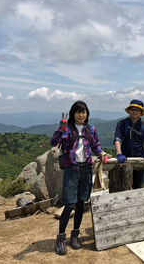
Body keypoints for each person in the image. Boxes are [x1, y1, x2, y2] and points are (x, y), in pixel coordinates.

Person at [49, 100, 108, 256]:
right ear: (72, 114)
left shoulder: (91, 129)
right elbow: (53, 143)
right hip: (72, 170)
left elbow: (95, 145)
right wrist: (60, 130)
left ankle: (75, 235)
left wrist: (101, 153)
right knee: (69, 205)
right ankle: (61, 237)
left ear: (87, 113)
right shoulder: (67, 129)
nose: (81, 115)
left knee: (81, 204)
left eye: (83, 112)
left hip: (86, 170)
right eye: (78, 112)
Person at [113, 99, 144, 189]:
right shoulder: (122, 124)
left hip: (139, 161)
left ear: (141, 112)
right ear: (129, 111)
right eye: (132, 109)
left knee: (137, 188)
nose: (134, 111)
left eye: (137, 109)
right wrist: (119, 154)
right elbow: (117, 139)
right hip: (124, 160)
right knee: (121, 187)